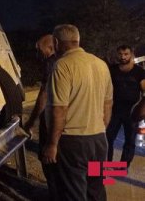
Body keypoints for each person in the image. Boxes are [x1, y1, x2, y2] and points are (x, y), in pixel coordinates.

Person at [42, 24, 113, 201]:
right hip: (99, 141)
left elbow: (59, 109)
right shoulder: (101, 64)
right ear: (77, 40)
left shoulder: (62, 66)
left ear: (57, 42)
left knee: (74, 192)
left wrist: (52, 144)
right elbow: (108, 104)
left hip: (73, 143)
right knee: (96, 188)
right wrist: (100, 128)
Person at [23, 34, 58, 200]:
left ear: (50, 48)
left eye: (40, 50)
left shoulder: (51, 63)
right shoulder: (88, 64)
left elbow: (43, 95)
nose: (38, 54)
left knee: (48, 158)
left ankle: (55, 193)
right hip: (90, 132)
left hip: (52, 119)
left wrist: (30, 122)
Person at [106, 45, 145, 166]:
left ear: (131, 54)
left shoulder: (139, 72)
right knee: (107, 138)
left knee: (129, 140)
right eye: (120, 54)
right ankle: (106, 164)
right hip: (114, 109)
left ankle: (123, 166)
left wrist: (141, 110)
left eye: (126, 54)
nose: (123, 57)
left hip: (131, 111)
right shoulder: (112, 70)